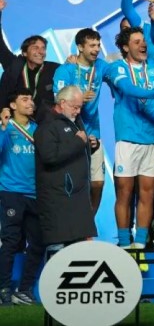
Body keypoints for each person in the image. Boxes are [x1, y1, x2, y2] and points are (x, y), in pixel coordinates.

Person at [109, 27, 154, 265]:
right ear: (125, 47)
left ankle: (139, 246)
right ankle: (123, 243)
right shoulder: (117, 68)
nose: (142, 45)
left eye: (143, 41)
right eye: (136, 42)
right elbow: (128, 89)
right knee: (124, 192)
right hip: (128, 138)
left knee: (147, 194)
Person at [53, 28, 112, 215]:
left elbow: (119, 68)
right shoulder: (65, 70)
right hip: (69, 134)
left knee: (97, 183)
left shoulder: (101, 66)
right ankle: (72, 223)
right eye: (92, 45)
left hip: (93, 132)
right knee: (73, 184)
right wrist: (78, 98)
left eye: (98, 45)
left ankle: (89, 221)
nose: (97, 49)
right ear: (80, 47)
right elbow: (58, 100)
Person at [34, 86, 97, 251]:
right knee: (58, 253)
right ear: (62, 103)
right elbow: (49, 156)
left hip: (75, 201)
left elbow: (71, 152)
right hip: (58, 202)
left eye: (80, 107)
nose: (78, 111)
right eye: (75, 107)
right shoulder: (47, 125)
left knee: (79, 254)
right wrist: (78, 142)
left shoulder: (72, 123)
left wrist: (89, 146)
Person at [0, 89, 44, 306]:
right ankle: (4, 288)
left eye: (31, 99)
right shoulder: (6, 128)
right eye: (24, 99)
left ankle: (25, 289)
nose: (30, 103)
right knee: (10, 241)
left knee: (39, 242)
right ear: (13, 105)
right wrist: (3, 128)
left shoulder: (38, 129)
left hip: (35, 193)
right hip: (12, 192)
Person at [0, 0, 59, 123]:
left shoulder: (54, 69)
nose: (40, 52)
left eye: (43, 48)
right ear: (25, 53)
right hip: (18, 127)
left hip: (47, 126)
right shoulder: (14, 65)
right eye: (35, 48)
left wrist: (73, 61)